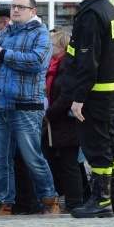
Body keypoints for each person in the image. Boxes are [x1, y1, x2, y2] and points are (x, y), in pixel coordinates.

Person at [0, 0, 60, 216]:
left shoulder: (40, 34)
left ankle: (50, 201)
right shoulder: (3, 35)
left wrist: (2, 56)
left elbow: (36, 62)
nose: (15, 10)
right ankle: (4, 203)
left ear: (33, 12)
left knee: (32, 158)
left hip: (25, 107)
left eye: (21, 7)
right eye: (13, 6)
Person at [61, 0, 114, 219]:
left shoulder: (90, 15)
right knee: (110, 144)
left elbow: (89, 62)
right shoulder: (112, 11)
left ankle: (101, 201)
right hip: (109, 94)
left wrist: (78, 99)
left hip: (93, 96)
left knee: (97, 148)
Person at [42, 31, 83, 212]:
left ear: (63, 47)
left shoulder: (69, 66)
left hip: (66, 123)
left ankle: (74, 203)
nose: (50, 49)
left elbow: (67, 96)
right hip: (52, 123)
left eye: (54, 45)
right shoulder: (51, 66)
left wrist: (49, 113)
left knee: (69, 164)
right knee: (50, 162)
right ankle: (54, 199)